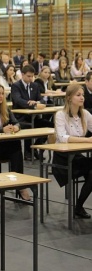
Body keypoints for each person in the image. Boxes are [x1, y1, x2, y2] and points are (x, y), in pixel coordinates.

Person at [52, 84, 92, 219]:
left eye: (83, 95)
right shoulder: (60, 114)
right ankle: (78, 207)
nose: (82, 98)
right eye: (78, 95)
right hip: (63, 157)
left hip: (77, 155)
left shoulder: (85, 114)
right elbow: (62, 138)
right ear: (69, 98)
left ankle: (79, 206)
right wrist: (87, 141)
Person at [11, 65, 53, 160]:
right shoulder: (16, 86)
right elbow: (18, 100)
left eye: (32, 76)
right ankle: (28, 152)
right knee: (29, 126)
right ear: (22, 75)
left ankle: (35, 147)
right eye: (28, 76)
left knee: (50, 126)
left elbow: (41, 100)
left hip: (34, 117)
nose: (31, 78)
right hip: (21, 117)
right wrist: (31, 104)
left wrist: (37, 102)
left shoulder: (35, 85)